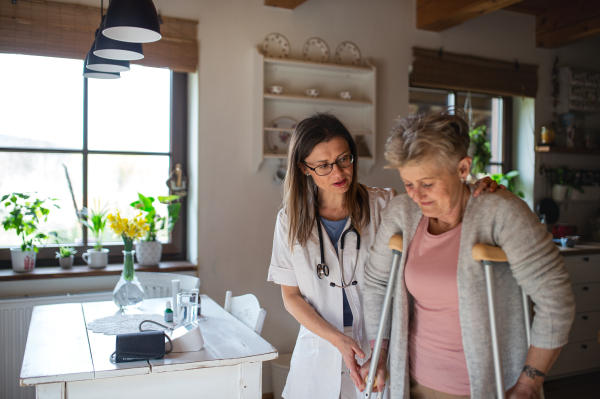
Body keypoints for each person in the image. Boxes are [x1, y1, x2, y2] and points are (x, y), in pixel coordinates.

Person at [267, 113, 501, 399]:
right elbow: (290, 296)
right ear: (304, 168)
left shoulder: (385, 204)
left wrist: (473, 191)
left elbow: (439, 205)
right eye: (324, 166)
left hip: (378, 346)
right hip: (319, 348)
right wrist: (337, 339)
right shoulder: (289, 221)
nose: (339, 173)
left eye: (344, 159)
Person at [359, 109, 576, 399]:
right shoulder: (402, 213)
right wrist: (380, 352)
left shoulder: (501, 212)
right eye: (409, 184)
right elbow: (376, 284)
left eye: (427, 183)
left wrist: (529, 382)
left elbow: (556, 300)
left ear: (463, 169)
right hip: (410, 386)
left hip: (485, 388)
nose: (416, 195)